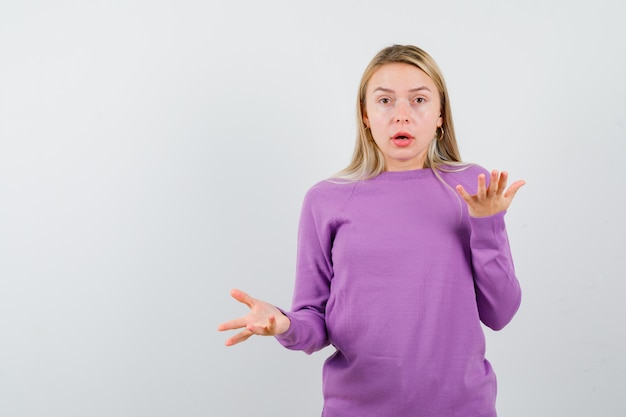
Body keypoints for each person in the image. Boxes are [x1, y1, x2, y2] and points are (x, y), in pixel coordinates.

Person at [218, 44, 525, 417]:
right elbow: (314, 323)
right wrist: (283, 324)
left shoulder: (472, 187)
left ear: (440, 113)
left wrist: (487, 223)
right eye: (384, 101)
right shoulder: (325, 200)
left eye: (419, 100)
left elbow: (501, 313)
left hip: (463, 408)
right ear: (365, 114)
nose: (402, 115)